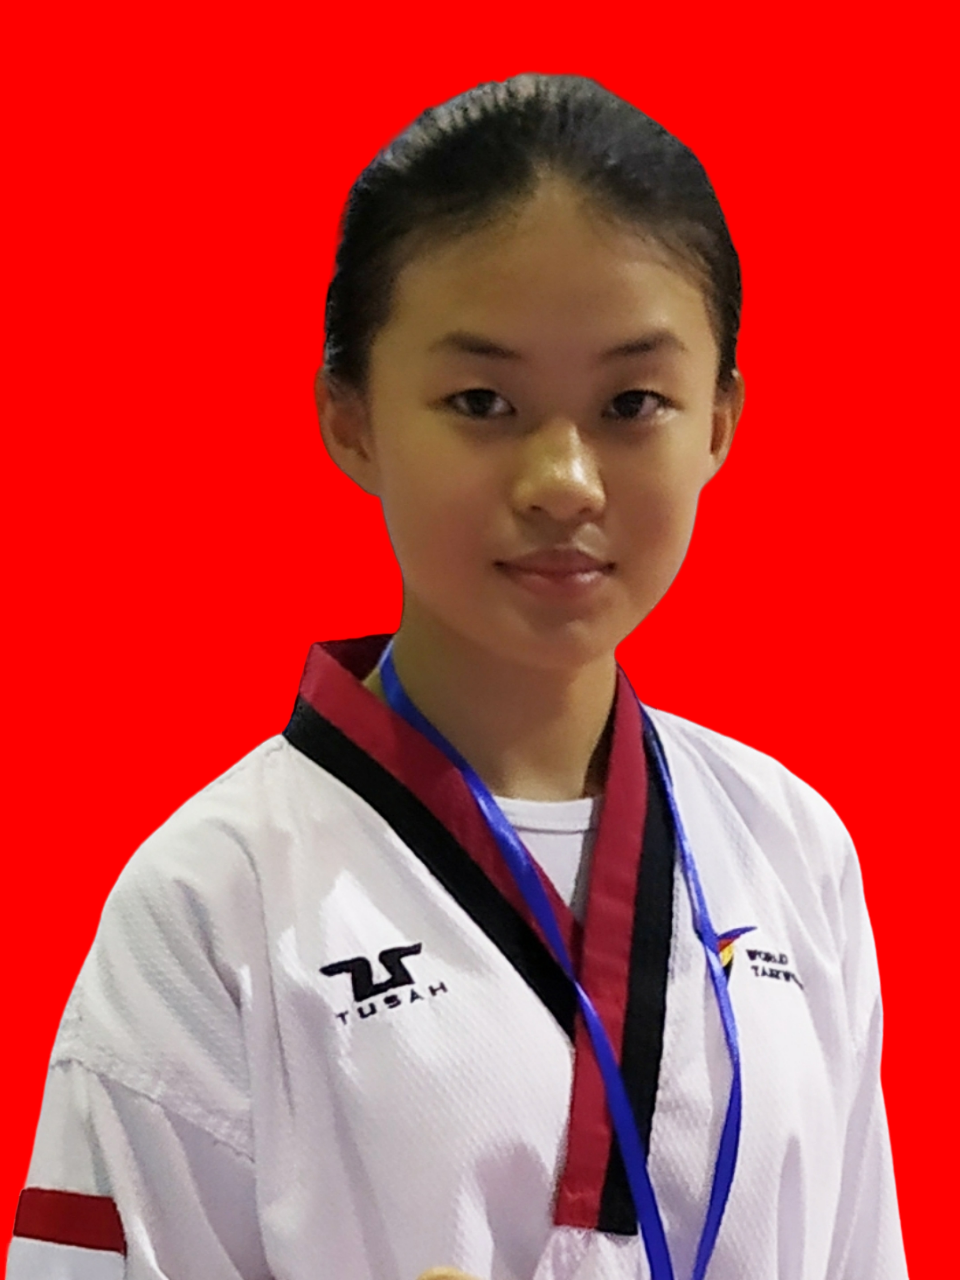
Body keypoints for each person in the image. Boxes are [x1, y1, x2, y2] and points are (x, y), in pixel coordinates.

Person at [6, 74, 908, 1280]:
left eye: (633, 402)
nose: (565, 480)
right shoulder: (213, 903)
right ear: (352, 416)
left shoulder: (792, 847)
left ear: (719, 421)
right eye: (483, 401)